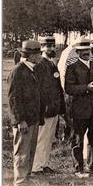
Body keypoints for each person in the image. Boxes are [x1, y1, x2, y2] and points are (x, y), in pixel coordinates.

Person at [65, 37, 93, 178]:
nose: (86, 53)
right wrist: (87, 88)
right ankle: (78, 167)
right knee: (78, 139)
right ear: (77, 52)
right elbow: (69, 88)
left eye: (87, 50)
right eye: (82, 51)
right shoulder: (72, 67)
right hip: (80, 109)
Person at [8, 40, 43, 186]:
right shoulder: (18, 71)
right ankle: (21, 182)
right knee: (22, 151)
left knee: (30, 150)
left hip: (33, 118)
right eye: (38, 54)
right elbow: (13, 99)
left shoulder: (32, 70)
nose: (40, 56)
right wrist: (20, 120)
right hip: (24, 121)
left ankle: (26, 177)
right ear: (31, 56)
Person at [32, 36, 66, 175]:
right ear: (42, 48)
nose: (51, 49)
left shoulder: (52, 63)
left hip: (54, 108)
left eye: (52, 46)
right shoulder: (40, 65)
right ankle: (36, 166)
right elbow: (39, 89)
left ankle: (44, 164)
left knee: (48, 139)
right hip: (45, 109)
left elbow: (57, 88)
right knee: (41, 138)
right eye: (47, 46)